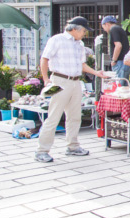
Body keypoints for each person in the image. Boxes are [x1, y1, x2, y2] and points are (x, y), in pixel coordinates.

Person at [36, 16, 108, 163]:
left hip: (75, 82)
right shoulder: (57, 40)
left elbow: (82, 65)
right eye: (83, 31)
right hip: (60, 80)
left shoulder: (79, 44)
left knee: (75, 116)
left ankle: (73, 146)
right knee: (54, 116)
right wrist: (46, 79)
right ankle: (42, 150)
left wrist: (96, 73)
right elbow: (44, 59)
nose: (84, 34)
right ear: (74, 29)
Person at [100, 16, 130, 80]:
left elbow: (118, 45)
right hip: (124, 62)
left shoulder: (113, 29)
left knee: (119, 85)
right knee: (123, 86)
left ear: (107, 24)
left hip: (120, 62)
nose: (104, 30)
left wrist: (114, 60)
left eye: (104, 27)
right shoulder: (119, 29)